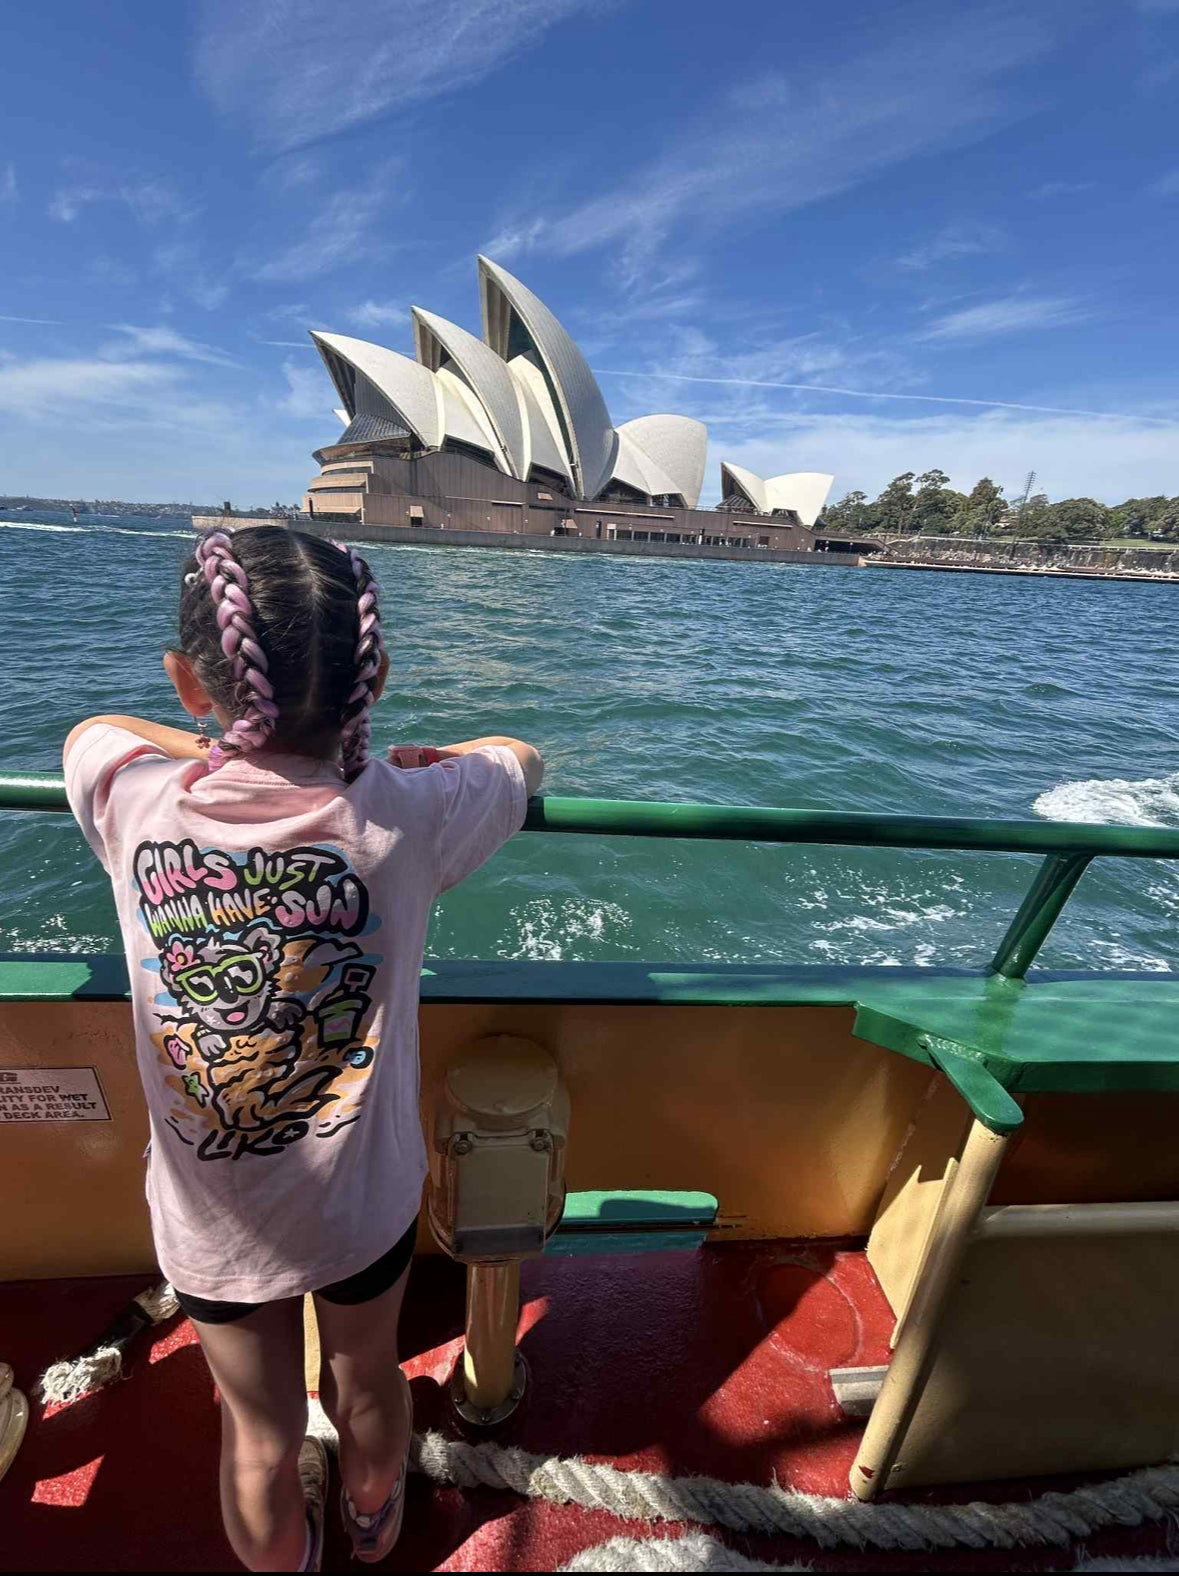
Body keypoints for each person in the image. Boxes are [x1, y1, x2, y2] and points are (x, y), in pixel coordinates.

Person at [63, 526, 543, 1571]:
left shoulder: (131, 797)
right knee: (368, 1380)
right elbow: (519, 757)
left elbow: (92, 730)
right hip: (360, 1200)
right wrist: (414, 756)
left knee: (258, 1430)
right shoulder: (411, 809)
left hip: (211, 1214)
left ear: (189, 680)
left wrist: (211, 736)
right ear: (377, 679)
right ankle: (375, 1524)